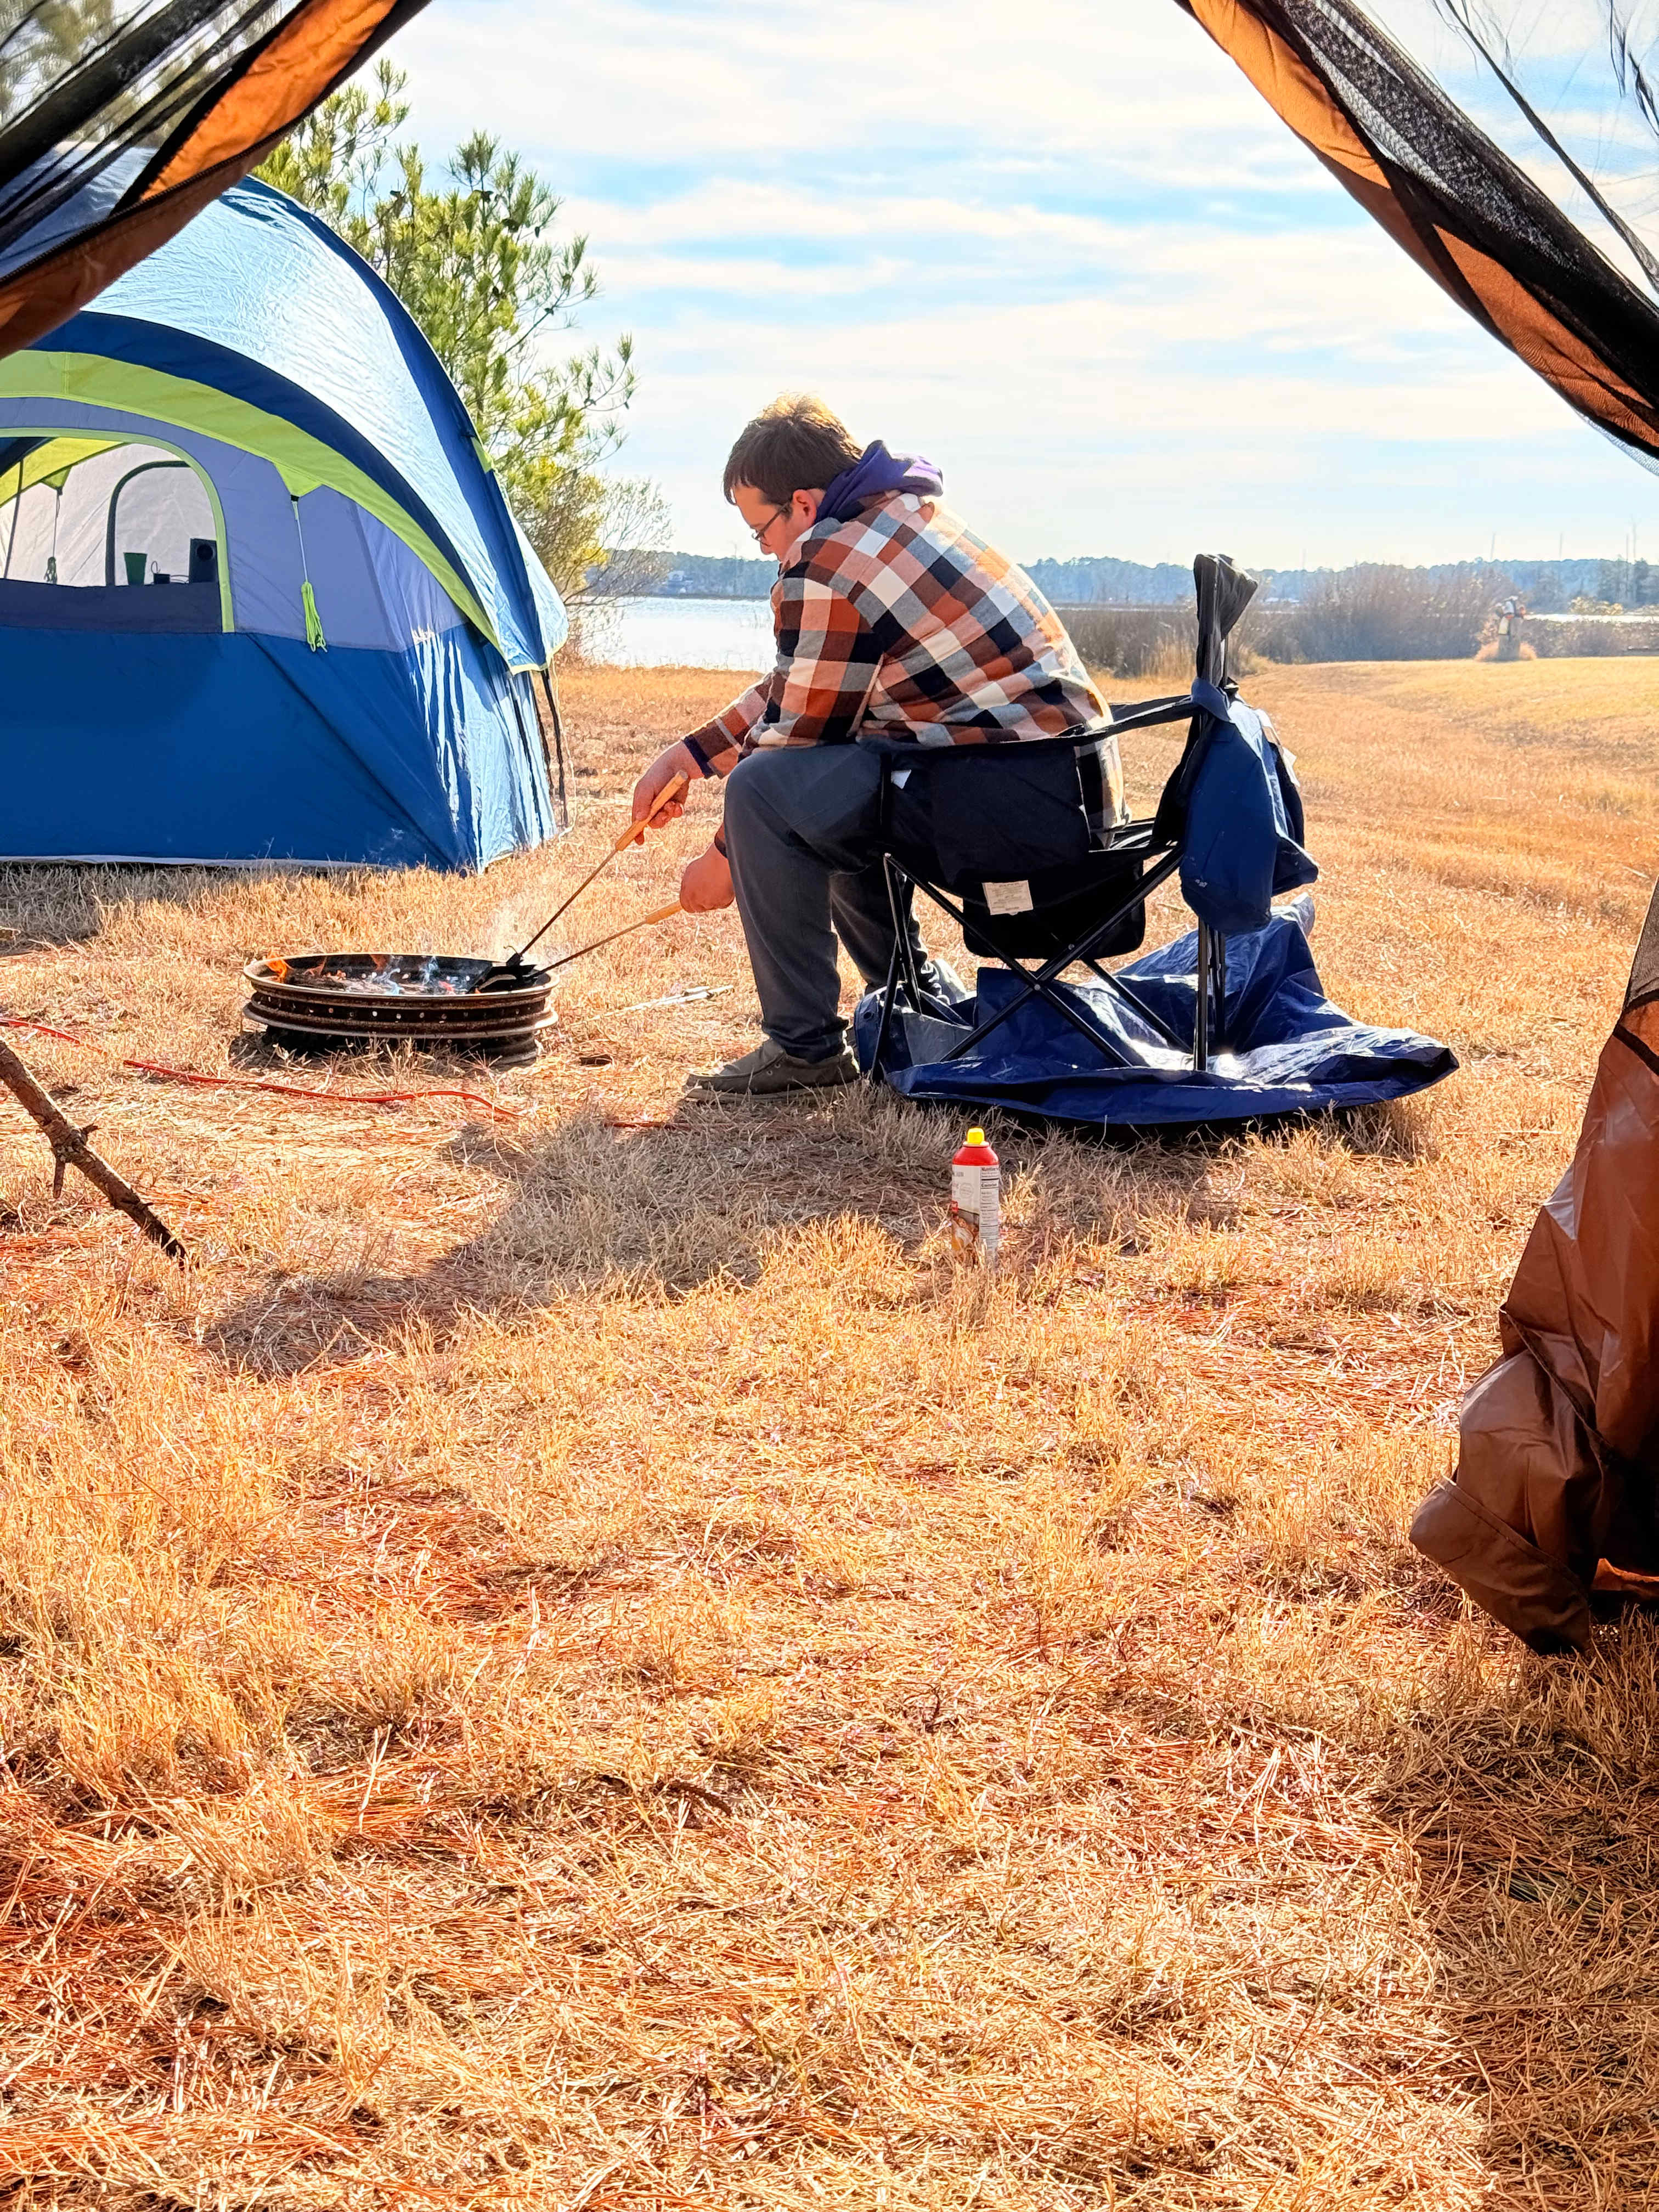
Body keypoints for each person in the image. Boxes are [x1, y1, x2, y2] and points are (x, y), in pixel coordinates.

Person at [631, 394, 1121, 1093]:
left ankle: (803, 1048)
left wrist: (723, 862)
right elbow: (806, 686)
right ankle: (908, 991)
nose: (766, 548)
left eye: (759, 529)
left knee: (774, 792)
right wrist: (690, 756)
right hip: (1063, 789)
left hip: (1014, 809)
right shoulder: (900, 522)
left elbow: (794, 745)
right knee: (838, 777)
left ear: (801, 504)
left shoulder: (826, 562)